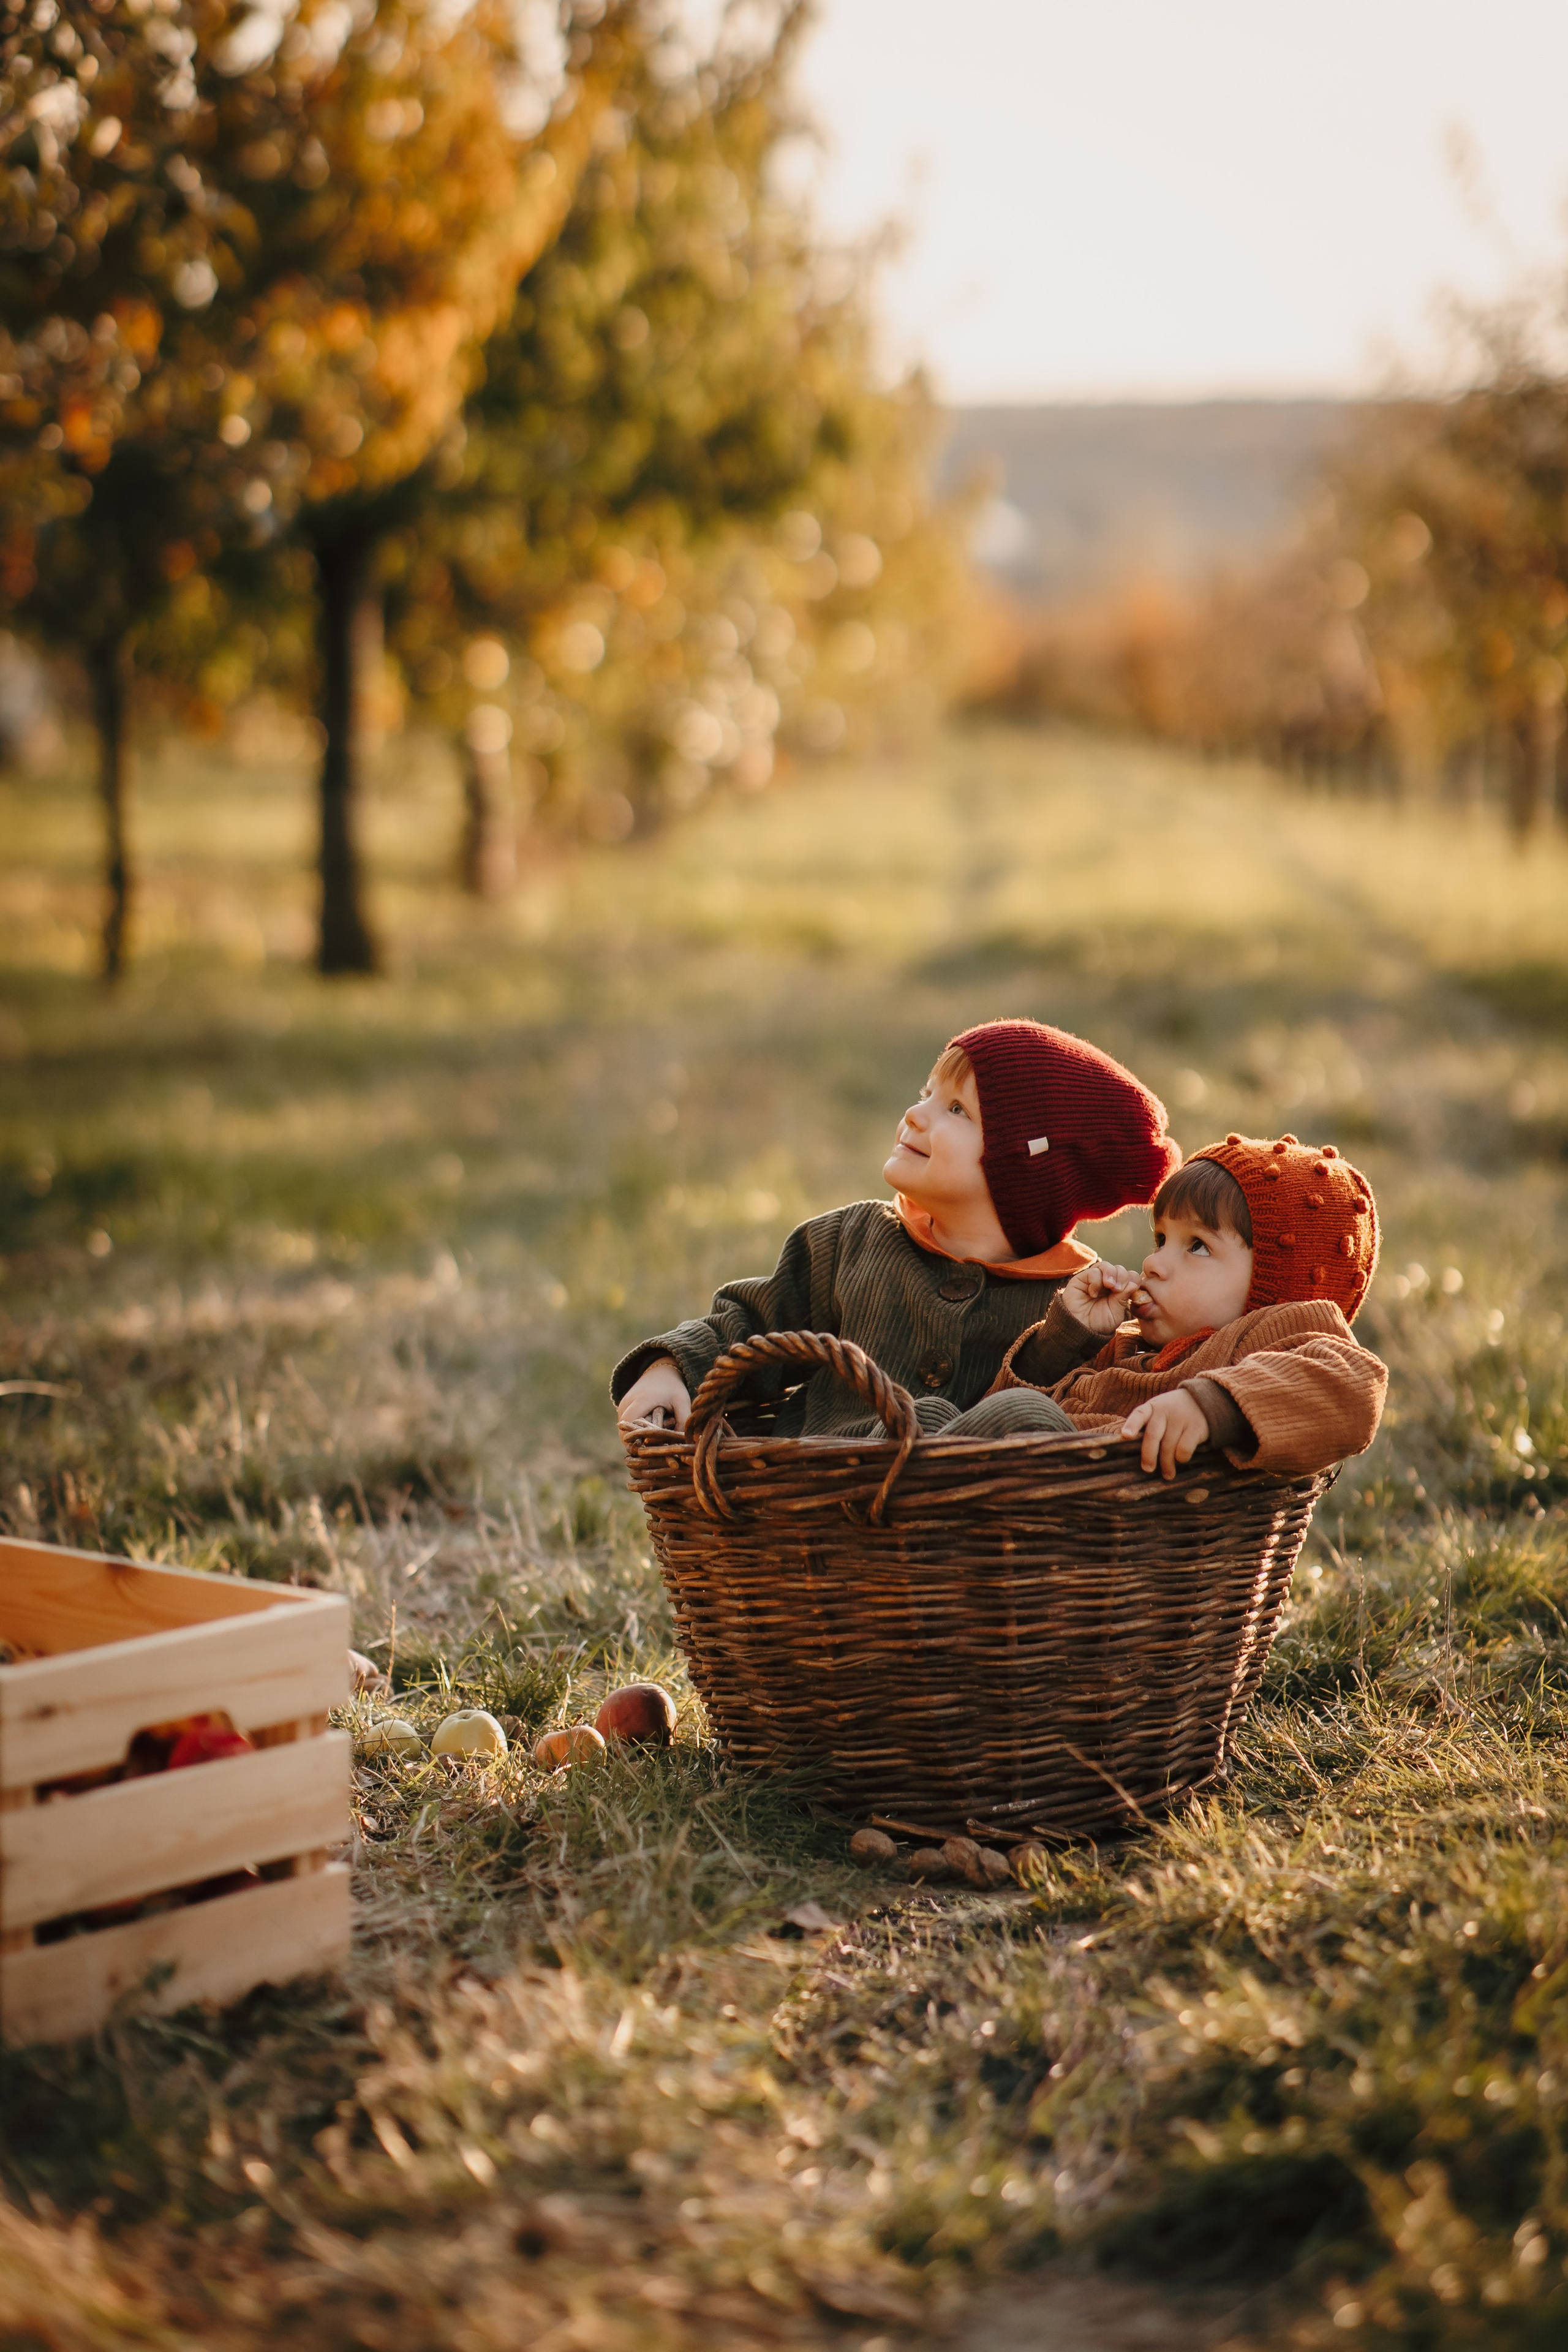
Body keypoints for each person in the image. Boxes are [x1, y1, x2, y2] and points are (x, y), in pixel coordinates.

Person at [612, 1018, 1179, 1438]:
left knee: (1011, 1417)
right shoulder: (853, 1240)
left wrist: (1071, 1337)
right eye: (926, 1093)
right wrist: (670, 1369)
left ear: (1025, 1168)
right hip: (807, 1502)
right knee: (926, 1418)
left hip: (956, 1542)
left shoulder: (1074, 1301)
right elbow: (750, 1324)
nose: (917, 1114)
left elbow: (1078, 1408)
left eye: (957, 1109)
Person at [984, 1132, 1387, 1478]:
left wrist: (1212, 1406)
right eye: (1161, 1240)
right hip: (1016, 1497)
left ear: (1273, 1284)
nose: (1152, 1263)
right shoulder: (1126, 1344)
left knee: (1019, 1414)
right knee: (940, 1413)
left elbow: (1355, 1384)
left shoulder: (1267, 1337)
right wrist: (1064, 1337)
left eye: (1197, 1246)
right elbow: (987, 1418)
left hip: (1093, 1524)